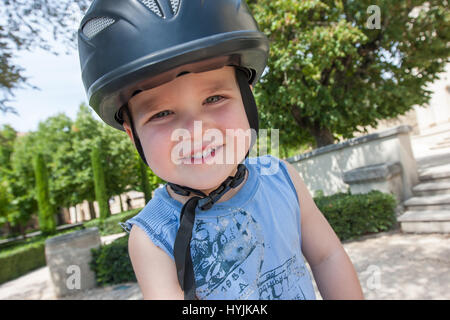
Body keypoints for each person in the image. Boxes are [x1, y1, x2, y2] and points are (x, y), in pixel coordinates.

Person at [78, 0, 364, 300]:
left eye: (214, 98)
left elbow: (327, 257)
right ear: (132, 134)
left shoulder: (282, 179)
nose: (196, 131)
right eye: (161, 114)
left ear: (247, 99)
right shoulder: (153, 237)